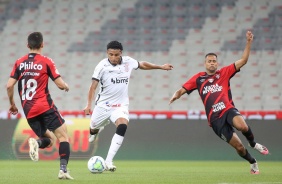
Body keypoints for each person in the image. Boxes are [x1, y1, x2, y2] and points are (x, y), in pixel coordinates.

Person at [169, 31, 268, 174]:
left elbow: (243, 60)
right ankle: (252, 161)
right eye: (209, 61)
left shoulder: (224, 73)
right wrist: (175, 95)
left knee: (242, 126)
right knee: (239, 148)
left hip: (227, 109)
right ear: (205, 63)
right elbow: (182, 89)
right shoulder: (199, 79)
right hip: (215, 120)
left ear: (217, 63)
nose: (212, 63)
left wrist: (248, 42)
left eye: (214, 61)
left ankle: (253, 143)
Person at [83, 40, 173, 171]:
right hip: (103, 106)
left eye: (116, 54)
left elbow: (142, 64)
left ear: (121, 53)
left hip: (120, 106)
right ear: (107, 53)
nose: (113, 57)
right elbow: (93, 87)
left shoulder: (128, 61)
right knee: (93, 128)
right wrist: (88, 105)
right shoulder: (101, 66)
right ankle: (94, 132)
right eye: (110, 54)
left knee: (123, 125)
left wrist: (160, 66)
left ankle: (108, 161)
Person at [6, 32, 74, 180]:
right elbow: (60, 85)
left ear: (27, 45)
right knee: (63, 137)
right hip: (45, 106)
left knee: (49, 141)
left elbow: (9, 86)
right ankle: (63, 170)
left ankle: (36, 143)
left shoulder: (19, 62)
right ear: (42, 44)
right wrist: (66, 86)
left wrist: (12, 104)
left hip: (29, 111)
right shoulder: (46, 61)